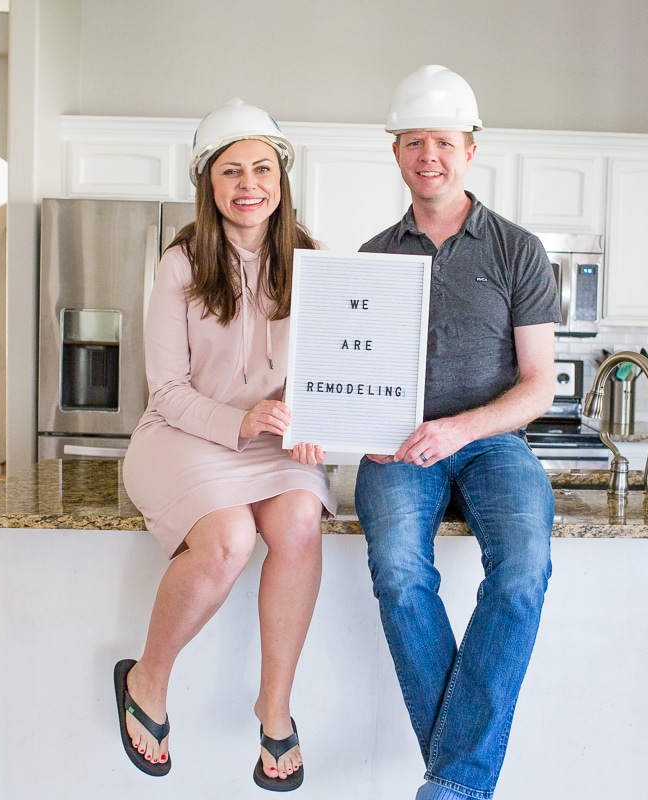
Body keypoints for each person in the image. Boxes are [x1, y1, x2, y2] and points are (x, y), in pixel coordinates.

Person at [115, 98, 336, 792]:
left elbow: (325, 376)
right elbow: (167, 390)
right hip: (184, 435)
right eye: (232, 170)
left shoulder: (312, 261)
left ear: (281, 178)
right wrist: (240, 423)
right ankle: (146, 679)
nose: (249, 184)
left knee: (301, 519)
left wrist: (310, 422)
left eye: (261, 168)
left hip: (271, 440)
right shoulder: (180, 264)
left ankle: (274, 706)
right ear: (208, 184)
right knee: (229, 540)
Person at [354, 66, 560, 800]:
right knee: (400, 574)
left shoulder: (517, 250)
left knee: (524, 566)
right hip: (397, 445)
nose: (428, 155)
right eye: (414, 141)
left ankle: (452, 783)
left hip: (494, 443)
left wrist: (459, 428)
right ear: (397, 152)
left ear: (470, 148)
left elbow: (538, 384)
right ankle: (461, 782)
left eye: (442, 140)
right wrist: (360, 424)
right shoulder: (374, 257)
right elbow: (353, 366)